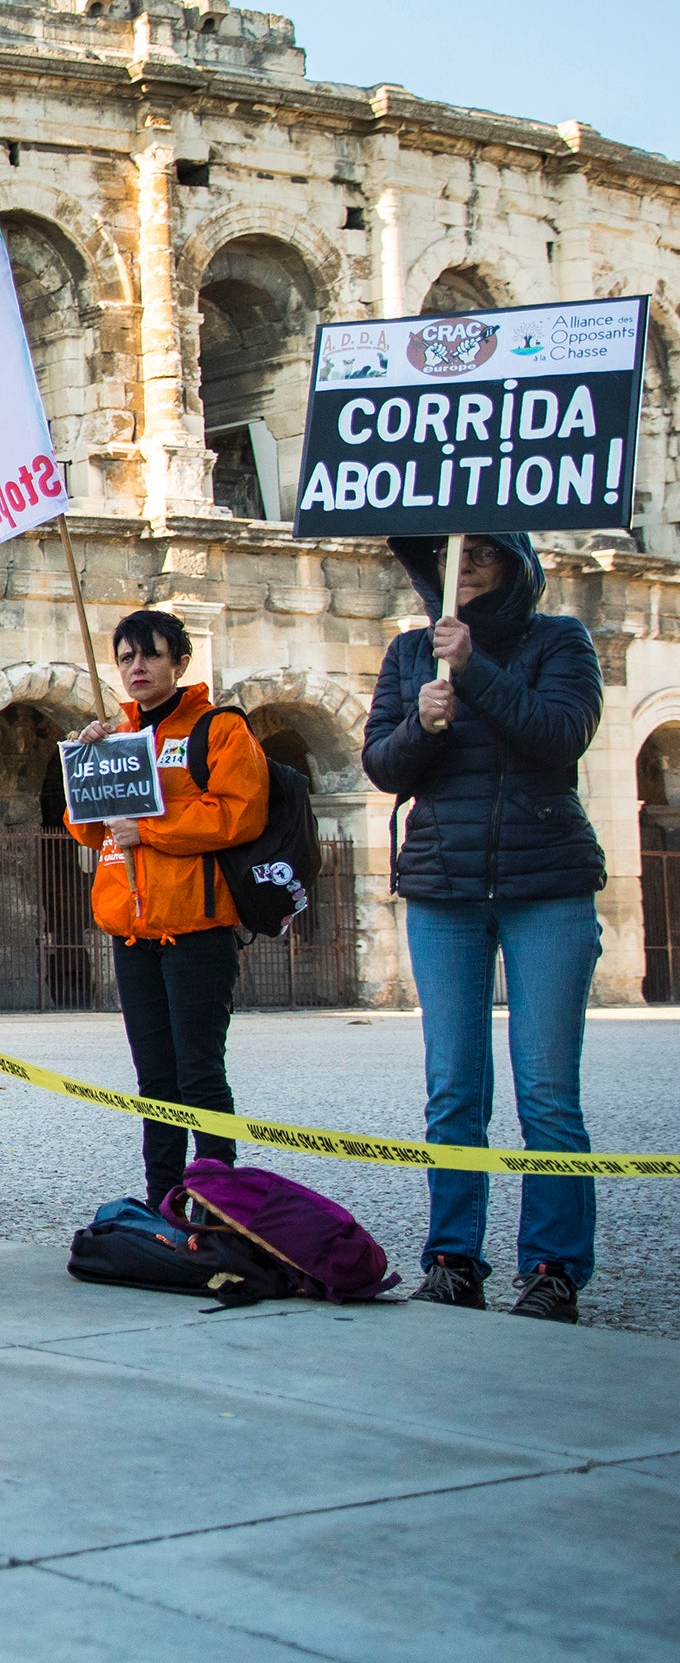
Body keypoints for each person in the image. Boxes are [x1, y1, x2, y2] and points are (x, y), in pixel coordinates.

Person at [366, 533, 604, 1324]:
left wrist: (475, 670)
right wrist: (420, 727)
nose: (460, 572)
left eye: (479, 559)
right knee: (454, 1090)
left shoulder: (559, 640)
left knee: (547, 1093)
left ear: (514, 568)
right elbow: (384, 767)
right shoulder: (409, 653)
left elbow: (560, 736)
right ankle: (453, 1258)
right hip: (444, 886)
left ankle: (553, 1266)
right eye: (451, 562)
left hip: (547, 885)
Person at [68, 609, 268, 1214]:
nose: (137, 667)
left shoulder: (219, 729)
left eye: (150, 655)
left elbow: (239, 814)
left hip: (197, 928)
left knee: (200, 1076)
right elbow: (85, 832)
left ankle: (217, 1206)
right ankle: (163, 1203)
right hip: (131, 931)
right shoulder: (114, 735)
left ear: (180, 662)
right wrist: (86, 765)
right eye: (126, 657)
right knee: (154, 1084)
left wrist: (150, 829)